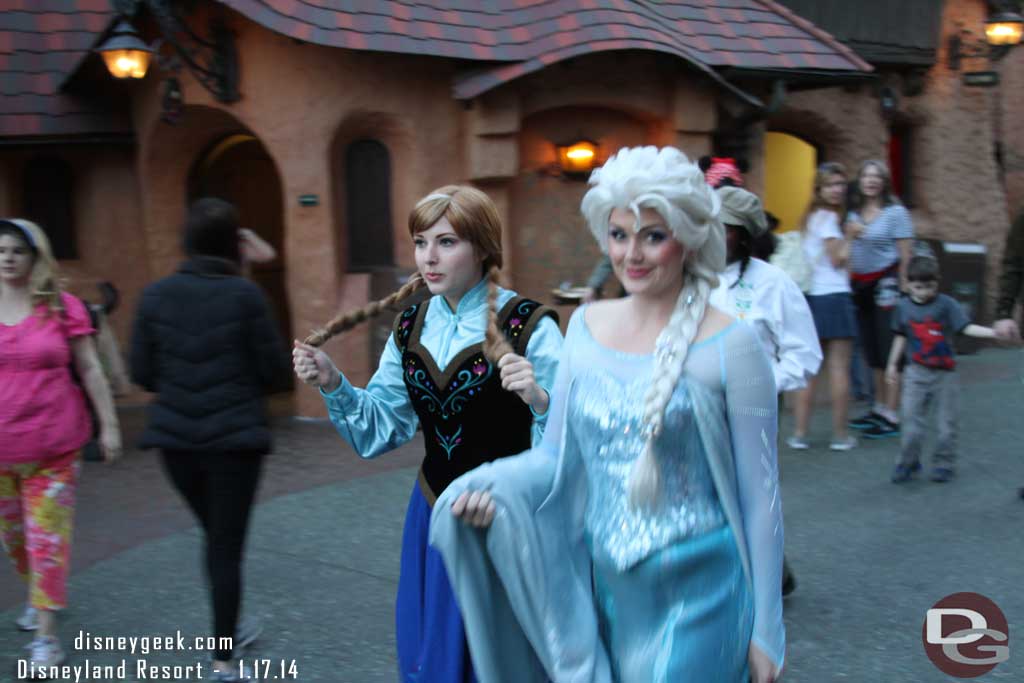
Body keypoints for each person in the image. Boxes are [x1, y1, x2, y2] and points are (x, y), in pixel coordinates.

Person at [430, 147, 784, 683]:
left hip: (705, 595)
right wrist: (490, 489)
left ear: (686, 238)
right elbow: (556, 455)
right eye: (620, 235)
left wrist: (767, 631)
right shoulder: (587, 326)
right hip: (608, 592)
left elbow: (762, 498)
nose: (632, 254)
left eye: (652, 236)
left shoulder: (735, 345)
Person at [291, 185, 562, 683]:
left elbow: (571, 442)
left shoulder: (531, 326)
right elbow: (383, 427)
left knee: (501, 659)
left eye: (446, 242)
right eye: (420, 243)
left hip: (507, 520)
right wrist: (334, 383)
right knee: (436, 656)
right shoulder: (409, 326)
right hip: (432, 510)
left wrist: (540, 402)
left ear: (482, 247)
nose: (429, 258)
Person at [130, 198, 291, 682]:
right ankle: (223, 659)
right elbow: (277, 374)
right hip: (234, 445)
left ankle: (232, 626)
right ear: (231, 244)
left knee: (216, 540)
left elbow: (142, 373)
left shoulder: (155, 296)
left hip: (176, 446)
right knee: (225, 547)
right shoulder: (245, 297)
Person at [0, 219, 122, 668]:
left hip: (54, 449)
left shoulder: (60, 306)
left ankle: (46, 640)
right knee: (16, 540)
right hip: (1, 454)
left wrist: (109, 427)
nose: (7, 257)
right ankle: (38, 596)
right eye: (0, 250)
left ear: (35, 256)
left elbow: (90, 369)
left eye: (16, 249)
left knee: (46, 540)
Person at [885, 256, 1008, 483]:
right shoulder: (903, 307)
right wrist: (892, 364)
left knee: (946, 424)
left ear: (937, 282)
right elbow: (900, 336)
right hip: (915, 373)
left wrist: (993, 333)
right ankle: (908, 461)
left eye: (929, 287)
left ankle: (944, 463)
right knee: (911, 421)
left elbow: (966, 327)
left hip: (944, 374)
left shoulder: (946, 304)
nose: (923, 292)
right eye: (918, 287)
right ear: (908, 284)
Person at [708, 186, 823, 418]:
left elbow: (805, 353)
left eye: (725, 228)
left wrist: (763, 385)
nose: (714, 235)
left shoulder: (772, 282)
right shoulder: (686, 278)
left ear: (743, 235)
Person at [792, 162, 859, 451]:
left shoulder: (811, 218)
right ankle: (840, 436)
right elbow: (837, 259)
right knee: (838, 368)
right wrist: (852, 236)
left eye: (841, 184)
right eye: (832, 184)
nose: (837, 190)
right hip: (835, 296)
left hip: (813, 298)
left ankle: (799, 434)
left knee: (810, 371)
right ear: (820, 188)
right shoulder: (830, 220)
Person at [846, 160, 914, 438]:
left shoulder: (895, 213)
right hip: (860, 286)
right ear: (860, 181)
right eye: (866, 176)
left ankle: (892, 414)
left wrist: (906, 288)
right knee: (872, 350)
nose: (871, 181)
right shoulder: (853, 214)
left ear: (885, 182)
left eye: (877, 176)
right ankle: (879, 407)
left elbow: (906, 253)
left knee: (889, 350)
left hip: (886, 283)